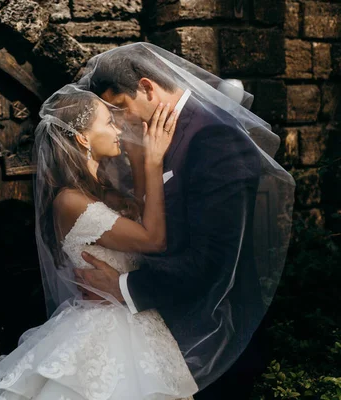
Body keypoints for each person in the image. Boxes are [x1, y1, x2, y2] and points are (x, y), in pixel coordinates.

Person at [73, 43, 295, 399]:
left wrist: (124, 285)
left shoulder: (213, 136)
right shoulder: (157, 136)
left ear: (146, 87)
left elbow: (214, 258)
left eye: (120, 108)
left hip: (216, 336)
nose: (119, 122)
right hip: (168, 330)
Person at [0, 86, 200, 400]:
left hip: (138, 320)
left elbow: (146, 218)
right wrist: (154, 163)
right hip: (106, 330)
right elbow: (153, 239)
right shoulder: (70, 201)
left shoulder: (104, 192)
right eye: (108, 122)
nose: (118, 129)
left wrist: (139, 157)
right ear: (83, 138)